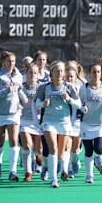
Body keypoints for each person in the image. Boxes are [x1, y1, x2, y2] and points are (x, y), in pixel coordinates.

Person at [35, 60, 81, 188]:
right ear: (51, 73)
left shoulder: (69, 87)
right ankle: (54, 179)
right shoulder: (44, 88)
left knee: (61, 155)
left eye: (62, 71)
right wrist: (43, 104)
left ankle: (59, 168)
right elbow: (36, 103)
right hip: (49, 122)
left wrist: (69, 99)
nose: (60, 73)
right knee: (53, 150)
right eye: (57, 71)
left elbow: (79, 104)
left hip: (64, 123)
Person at [0, 51, 28, 181]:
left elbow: (20, 89)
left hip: (14, 113)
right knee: (0, 141)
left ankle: (13, 171)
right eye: (9, 61)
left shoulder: (18, 76)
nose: (11, 64)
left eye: (14, 61)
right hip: (0, 113)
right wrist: (5, 91)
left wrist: (23, 97)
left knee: (14, 141)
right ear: (3, 62)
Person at [79, 63, 102, 183]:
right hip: (86, 124)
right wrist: (83, 108)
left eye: (98, 72)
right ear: (90, 73)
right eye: (94, 72)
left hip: (100, 123)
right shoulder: (84, 88)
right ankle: (89, 176)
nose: (96, 74)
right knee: (88, 151)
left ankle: (100, 161)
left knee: (98, 148)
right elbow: (79, 102)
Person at [19, 63, 42, 182]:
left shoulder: (41, 87)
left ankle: (38, 155)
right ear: (26, 73)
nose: (32, 75)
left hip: (38, 121)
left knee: (38, 148)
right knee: (27, 145)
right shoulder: (21, 88)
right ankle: (28, 172)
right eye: (30, 72)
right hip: (24, 120)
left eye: (35, 73)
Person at [64, 66, 85, 178]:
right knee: (67, 146)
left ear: (76, 76)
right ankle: (67, 170)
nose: (69, 78)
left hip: (77, 121)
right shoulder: (61, 88)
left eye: (71, 76)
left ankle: (74, 160)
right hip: (65, 120)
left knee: (75, 148)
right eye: (67, 76)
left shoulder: (81, 88)